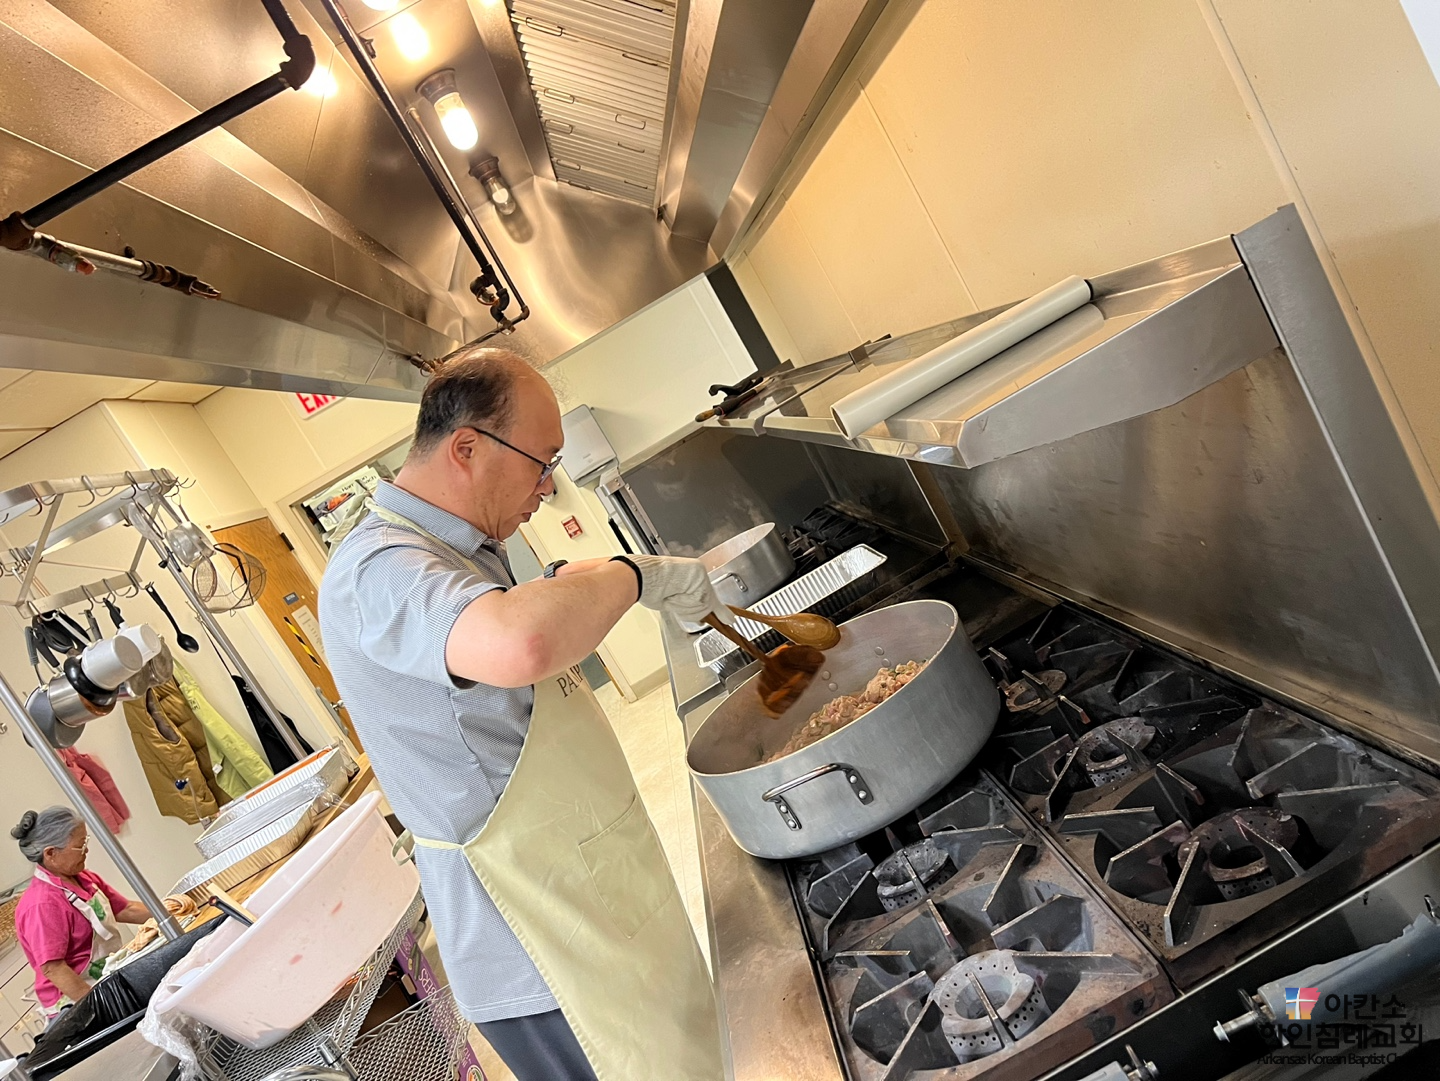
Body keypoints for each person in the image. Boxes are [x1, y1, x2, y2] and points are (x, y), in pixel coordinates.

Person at [319, 347, 728, 1081]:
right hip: (533, 943)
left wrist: (566, 582)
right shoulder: (376, 565)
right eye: (542, 462)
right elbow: (518, 642)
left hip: (582, 893)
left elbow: (500, 641)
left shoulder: (463, 548)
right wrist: (633, 575)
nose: (548, 486)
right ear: (467, 448)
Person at [11, 807, 152, 1016]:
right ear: (51, 854)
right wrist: (103, 1008)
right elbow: (54, 968)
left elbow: (125, 909)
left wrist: (173, 912)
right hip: (76, 1002)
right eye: (80, 845)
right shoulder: (42, 904)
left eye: (86, 842)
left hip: (105, 980)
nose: (86, 850)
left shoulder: (83, 878)